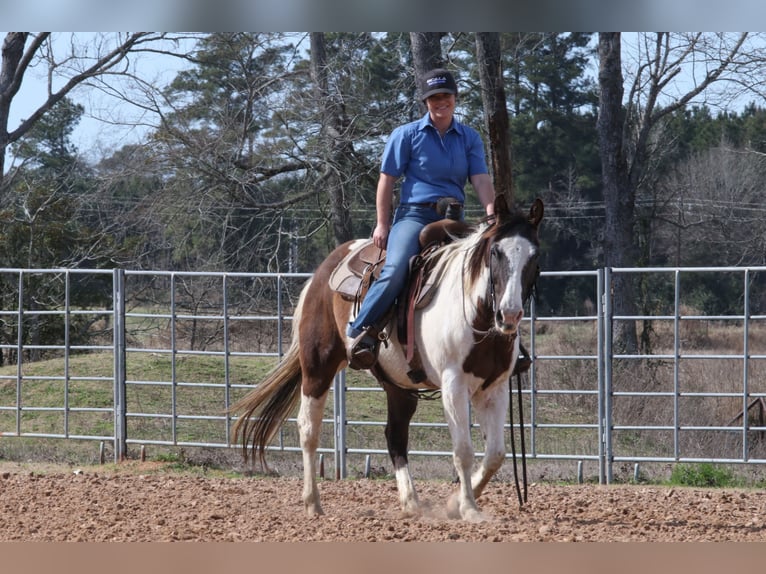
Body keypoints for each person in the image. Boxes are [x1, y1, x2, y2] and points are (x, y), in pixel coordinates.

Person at [346, 68, 496, 370]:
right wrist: (382, 223)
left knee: (494, 263)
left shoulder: (469, 137)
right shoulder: (406, 135)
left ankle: (505, 341)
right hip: (414, 215)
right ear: (426, 102)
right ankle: (362, 330)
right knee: (397, 267)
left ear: (456, 99)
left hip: (455, 217)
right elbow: (386, 181)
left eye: (446, 96)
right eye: (434, 98)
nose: (442, 102)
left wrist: (493, 215)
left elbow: (480, 178)